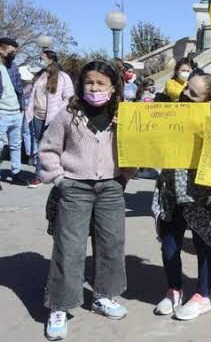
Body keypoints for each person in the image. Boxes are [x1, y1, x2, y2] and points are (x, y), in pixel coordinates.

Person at [40, 60, 134, 341]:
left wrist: (124, 177)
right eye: (89, 82)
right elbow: (48, 149)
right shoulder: (68, 115)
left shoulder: (123, 116)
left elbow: (137, 149)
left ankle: (104, 295)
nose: (94, 88)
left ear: (113, 86)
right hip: (75, 189)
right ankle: (60, 305)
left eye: (101, 83)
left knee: (111, 244)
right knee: (69, 247)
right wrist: (59, 179)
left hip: (111, 189)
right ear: (81, 85)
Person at [152, 74, 211, 321]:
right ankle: (174, 289)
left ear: (210, 100)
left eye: (194, 94)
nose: (186, 95)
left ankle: (202, 295)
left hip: (200, 195)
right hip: (170, 189)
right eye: (186, 89)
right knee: (169, 244)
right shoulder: (170, 112)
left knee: (202, 244)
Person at [24, 50, 75, 188]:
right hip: (37, 116)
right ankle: (39, 175)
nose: (40, 61)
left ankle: (56, 172)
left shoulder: (63, 77)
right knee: (38, 145)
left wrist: (57, 112)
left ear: (51, 60)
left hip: (53, 117)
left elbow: (69, 97)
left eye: (42, 58)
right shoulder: (40, 75)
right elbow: (31, 93)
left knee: (52, 145)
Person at [0, 37, 26, 187]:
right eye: (11, 50)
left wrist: (22, 108)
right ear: (1, 49)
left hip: (16, 112)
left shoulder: (13, 67)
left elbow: (19, 88)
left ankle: (16, 173)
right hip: (2, 112)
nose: (13, 53)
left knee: (16, 145)